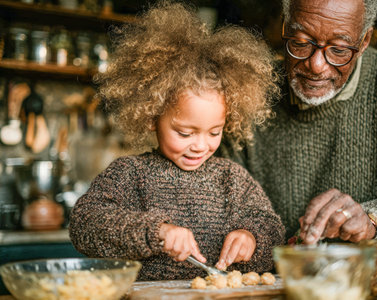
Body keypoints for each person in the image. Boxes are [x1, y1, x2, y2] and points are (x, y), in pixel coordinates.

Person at [69, 1, 284, 281]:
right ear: (151, 116)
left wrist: (252, 238)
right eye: (185, 133)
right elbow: (85, 224)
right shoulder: (131, 174)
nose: (200, 145)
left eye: (214, 132)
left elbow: (272, 229)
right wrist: (156, 232)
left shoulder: (233, 179)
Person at [218, 0, 377, 245]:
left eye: (338, 49)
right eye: (300, 42)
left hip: (366, 277)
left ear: (364, 42)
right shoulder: (250, 89)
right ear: (285, 27)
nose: (316, 66)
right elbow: (219, 192)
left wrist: (373, 221)